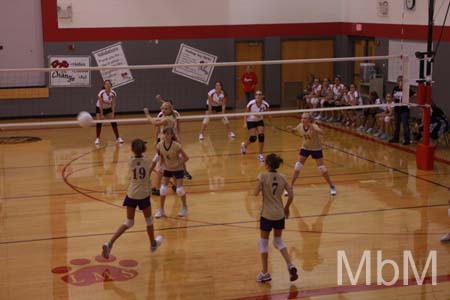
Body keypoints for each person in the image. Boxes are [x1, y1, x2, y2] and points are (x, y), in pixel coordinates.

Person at [101, 139, 162, 258]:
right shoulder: (147, 161)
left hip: (131, 194)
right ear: (144, 150)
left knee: (129, 222)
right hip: (143, 195)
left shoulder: (130, 162)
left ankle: (109, 243)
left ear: (133, 150)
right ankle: (153, 244)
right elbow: (156, 159)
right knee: (149, 221)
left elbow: (138, 157)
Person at [254, 153, 298, 283]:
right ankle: (290, 264)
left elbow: (255, 193)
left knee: (263, 242)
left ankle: (265, 273)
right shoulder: (283, 177)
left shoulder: (262, 176)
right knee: (278, 241)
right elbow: (291, 195)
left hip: (266, 214)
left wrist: (259, 184)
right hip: (279, 214)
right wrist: (286, 208)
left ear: (267, 165)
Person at [287, 112, 336, 196]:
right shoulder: (300, 125)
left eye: (305, 118)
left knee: (322, 168)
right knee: (297, 166)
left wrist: (315, 129)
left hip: (316, 148)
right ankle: (290, 187)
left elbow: (322, 132)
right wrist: (291, 129)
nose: (302, 119)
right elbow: (295, 131)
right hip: (305, 148)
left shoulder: (314, 126)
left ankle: (331, 186)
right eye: (302, 118)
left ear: (309, 120)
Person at [155, 127, 189, 218]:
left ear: (172, 135)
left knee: (179, 190)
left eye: (169, 134)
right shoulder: (159, 145)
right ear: (163, 134)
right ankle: (161, 210)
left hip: (178, 169)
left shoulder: (176, 145)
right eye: (165, 134)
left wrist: (176, 165)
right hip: (167, 169)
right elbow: (161, 156)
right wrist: (159, 165)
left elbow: (186, 158)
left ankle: (185, 207)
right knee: (162, 189)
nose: (167, 136)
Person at [240, 90, 270, 162]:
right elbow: (246, 113)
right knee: (253, 138)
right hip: (251, 121)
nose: (258, 96)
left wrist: (272, 125)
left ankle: (260, 154)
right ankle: (244, 145)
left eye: (260, 94)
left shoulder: (265, 104)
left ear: (262, 96)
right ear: (255, 96)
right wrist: (245, 123)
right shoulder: (251, 103)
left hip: (259, 121)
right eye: (257, 94)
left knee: (261, 136)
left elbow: (269, 114)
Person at [95, 80, 124, 145]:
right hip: (100, 108)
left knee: (113, 121)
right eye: (106, 84)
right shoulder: (101, 93)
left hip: (108, 109)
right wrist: (102, 114)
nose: (107, 85)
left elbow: (113, 103)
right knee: (99, 122)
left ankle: (118, 138)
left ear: (111, 85)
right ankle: (97, 138)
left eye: (109, 84)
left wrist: (113, 113)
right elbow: (100, 104)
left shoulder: (113, 93)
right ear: (104, 86)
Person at [389, 76, 415, 145]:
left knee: (405, 125)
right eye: (399, 81)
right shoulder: (395, 88)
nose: (400, 82)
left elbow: (414, 94)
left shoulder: (406, 89)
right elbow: (392, 97)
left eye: (401, 81)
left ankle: (407, 140)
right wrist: (392, 99)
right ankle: (396, 138)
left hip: (404, 110)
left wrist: (408, 98)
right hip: (397, 109)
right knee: (396, 124)